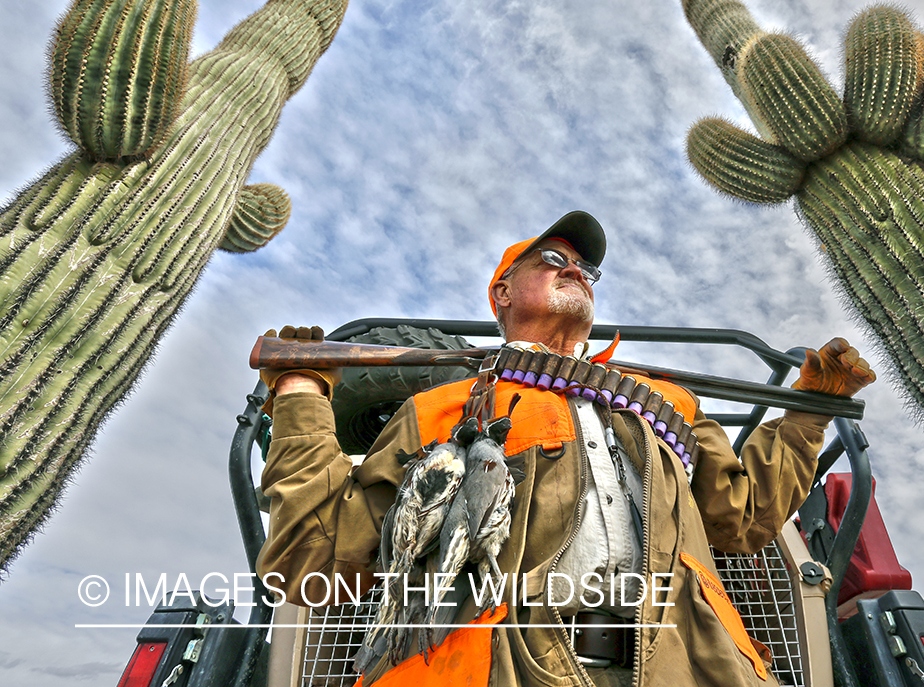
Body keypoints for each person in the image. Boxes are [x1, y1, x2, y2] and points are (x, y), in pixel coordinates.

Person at [256, 211, 875, 687]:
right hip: (501, 670)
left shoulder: (667, 401)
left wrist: (807, 410)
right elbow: (318, 553)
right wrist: (301, 393)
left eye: (586, 268)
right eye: (553, 258)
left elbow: (744, 518)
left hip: (686, 668)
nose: (575, 268)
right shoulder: (439, 410)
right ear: (500, 292)